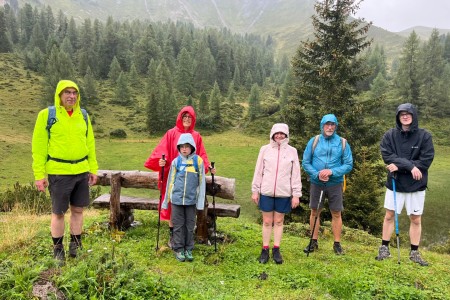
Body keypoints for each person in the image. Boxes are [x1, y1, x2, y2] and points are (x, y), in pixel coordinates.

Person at [32, 80, 98, 264]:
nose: (71, 96)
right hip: (58, 172)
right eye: (67, 92)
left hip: (81, 170)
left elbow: (90, 144)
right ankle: (58, 249)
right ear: (59, 95)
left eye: (74, 92)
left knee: (78, 210)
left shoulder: (83, 116)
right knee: (59, 212)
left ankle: (76, 245)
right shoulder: (47, 115)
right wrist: (39, 174)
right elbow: (38, 147)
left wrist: (92, 169)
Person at [144, 106, 213, 248]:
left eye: (190, 118)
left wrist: (208, 167)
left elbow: (202, 155)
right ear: (180, 118)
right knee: (172, 206)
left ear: (193, 120)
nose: (187, 120)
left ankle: (186, 237)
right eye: (184, 117)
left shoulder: (197, 136)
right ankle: (173, 236)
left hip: (190, 180)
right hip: (174, 177)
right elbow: (162, 153)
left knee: (188, 206)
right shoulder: (171, 133)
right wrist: (161, 162)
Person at [375, 103, 434, 266]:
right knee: (389, 216)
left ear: (414, 116)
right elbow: (388, 156)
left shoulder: (424, 136)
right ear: (398, 117)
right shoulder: (389, 135)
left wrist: (402, 166)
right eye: (402, 114)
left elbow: (426, 160)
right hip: (395, 182)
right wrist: (411, 166)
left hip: (416, 185)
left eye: (408, 114)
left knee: (415, 219)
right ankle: (384, 249)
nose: (405, 116)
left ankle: (414, 252)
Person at [302, 114, 353, 255]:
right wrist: (317, 174)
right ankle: (313, 241)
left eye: (332, 125)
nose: (330, 127)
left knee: (336, 212)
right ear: (322, 126)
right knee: (314, 211)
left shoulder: (342, 143)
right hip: (317, 182)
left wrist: (331, 171)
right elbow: (306, 162)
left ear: (336, 126)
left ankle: (337, 244)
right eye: (327, 125)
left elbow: (348, 165)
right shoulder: (314, 141)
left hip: (335, 183)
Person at [251, 123, 302, 264]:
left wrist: (296, 194)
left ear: (286, 135)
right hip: (266, 191)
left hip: (284, 192)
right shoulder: (265, 150)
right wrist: (255, 190)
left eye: (282, 134)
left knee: (279, 221)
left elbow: (296, 174)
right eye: (276, 133)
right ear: (272, 134)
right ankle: (265, 249)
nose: (279, 136)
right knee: (267, 221)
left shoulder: (292, 151)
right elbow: (258, 170)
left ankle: (276, 249)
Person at [162, 133, 206, 262]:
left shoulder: (198, 162)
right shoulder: (176, 162)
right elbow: (170, 181)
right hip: (176, 200)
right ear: (179, 147)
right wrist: (166, 201)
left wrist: (200, 202)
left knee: (190, 225)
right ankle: (179, 249)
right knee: (178, 225)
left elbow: (202, 183)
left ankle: (188, 249)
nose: (184, 149)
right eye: (182, 146)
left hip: (191, 200)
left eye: (187, 146)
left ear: (192, 147)